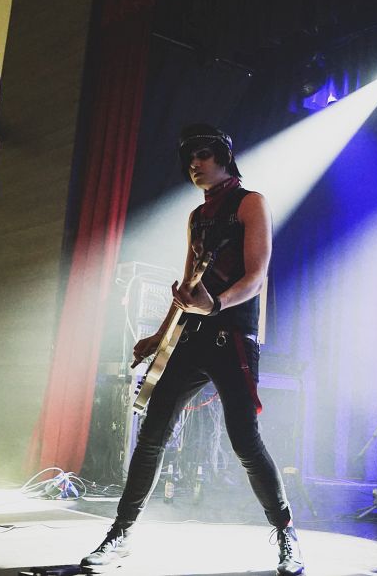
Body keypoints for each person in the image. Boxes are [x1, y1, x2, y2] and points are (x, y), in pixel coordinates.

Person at [81, 123, 304, 575]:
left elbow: (256, 278)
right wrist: (159, 335)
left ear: (223, 156)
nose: (194, 165)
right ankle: (120, 532)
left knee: (245, 441)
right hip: (192, 337)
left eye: (202, 156)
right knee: (151, 435)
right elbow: (187, 288)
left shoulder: (251, 203)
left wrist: (216, 304)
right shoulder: (197, 216)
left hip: (232, 336)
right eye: (189, 160)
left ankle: (286, 533)